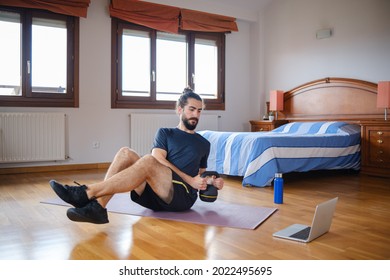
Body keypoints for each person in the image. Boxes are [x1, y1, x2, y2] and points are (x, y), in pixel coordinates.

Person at [50, 87, 224, 224]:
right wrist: (191, 179)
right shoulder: (166, 133)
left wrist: (209, 181)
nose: (196, 115)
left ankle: (86, 193)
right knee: (126, 153)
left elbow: (199, 175)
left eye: (199, 111)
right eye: (191, 109)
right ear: (179, 110)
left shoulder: (203, 143)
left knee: (147, 160)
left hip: (181, 196)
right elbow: (157, 159)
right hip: (154, 192)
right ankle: (98, 208)